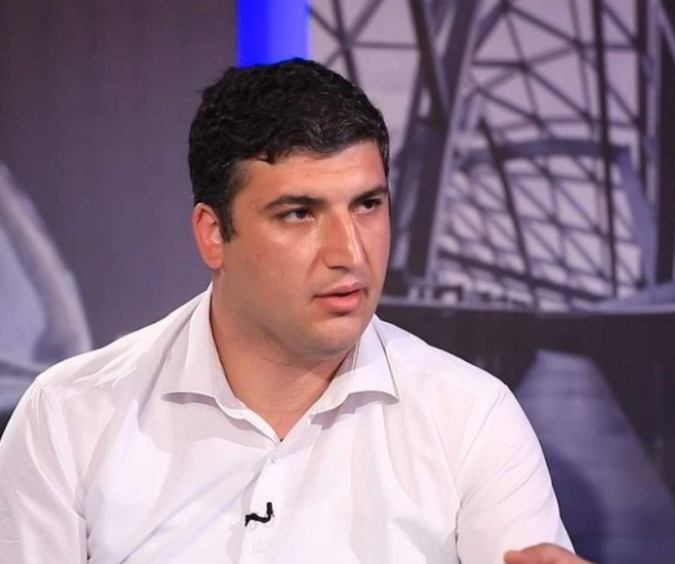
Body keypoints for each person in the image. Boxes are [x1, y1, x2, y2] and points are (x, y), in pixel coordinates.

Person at [0, 59, 594, 564]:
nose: (349, 252)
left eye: (367, 205)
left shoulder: (471, 416)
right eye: (299, 214)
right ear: (213, 234)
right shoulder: (70, 415)